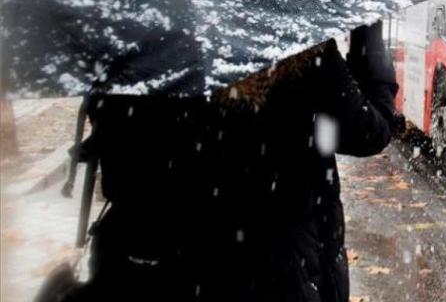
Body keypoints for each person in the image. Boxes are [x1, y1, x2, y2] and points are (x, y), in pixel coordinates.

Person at [43, 21, 403, 302]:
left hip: (147, 271)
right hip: (270, 276)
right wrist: (369, 43)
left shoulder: (127, 38)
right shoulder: (291, 42)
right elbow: (367, 133)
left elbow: (120, 165)